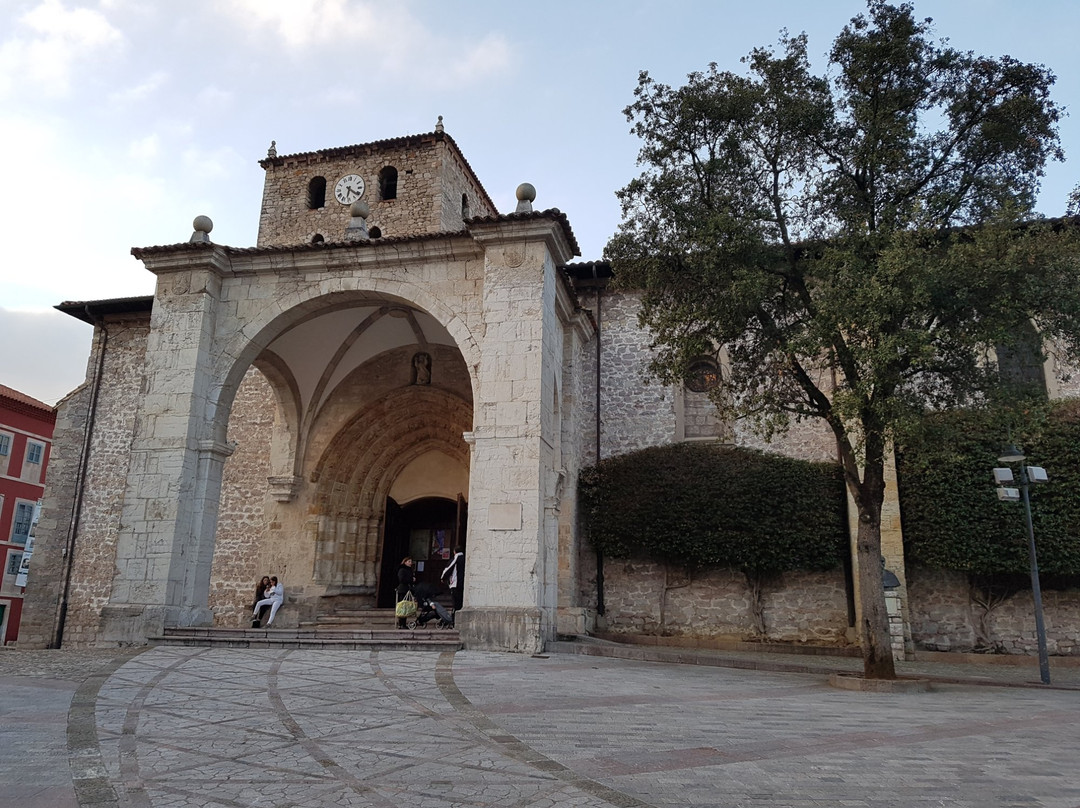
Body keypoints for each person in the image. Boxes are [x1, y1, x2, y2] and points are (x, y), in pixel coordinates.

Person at [441, 547, 465, 611]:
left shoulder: (456, 558)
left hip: (455, 583)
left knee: (456, 601)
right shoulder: (465, 558)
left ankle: (455, 615)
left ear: (454, 552)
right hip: (464, 583)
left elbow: (448, 569)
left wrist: (443, 578)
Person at [396, 556, 416, 629]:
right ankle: (401, 623)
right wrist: (411, 579)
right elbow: (401, 579)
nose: (410, 563)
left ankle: (403, 623)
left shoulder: (409, 570)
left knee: (406, 607)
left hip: (408, 590)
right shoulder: (402, 569)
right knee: (402, 607)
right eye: (409, 561)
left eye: (411, 561)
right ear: (405, 562)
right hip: (403, 590)